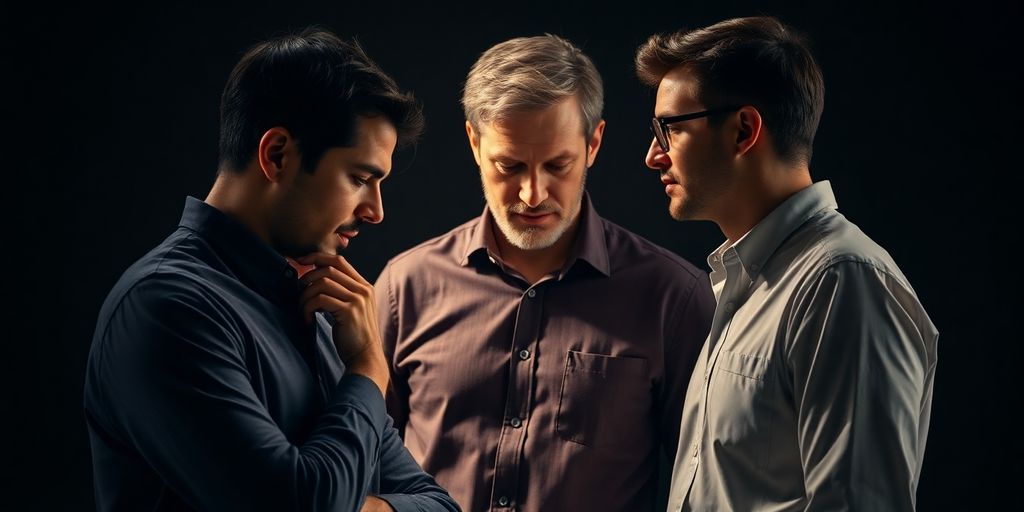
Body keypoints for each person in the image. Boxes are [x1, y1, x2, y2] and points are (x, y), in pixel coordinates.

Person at [83, 28, 459, 512]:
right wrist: (367, 368)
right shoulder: (165, 306)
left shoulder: (319, 311)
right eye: (360, 179)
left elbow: (439, 505)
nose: (376, 211)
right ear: (277, 154)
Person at [374, 34, 715, 511]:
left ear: (593, 143)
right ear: (474, 142)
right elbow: (363, 471)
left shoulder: (674, 298)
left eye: (558, 165)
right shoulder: (402, 289)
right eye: (509, 166)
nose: (532, 194)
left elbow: (706, 487)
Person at [636, 16, 939, 511]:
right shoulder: (749, 282)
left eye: (669, 129)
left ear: (743, 131)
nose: (654, 155)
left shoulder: (842, 282)